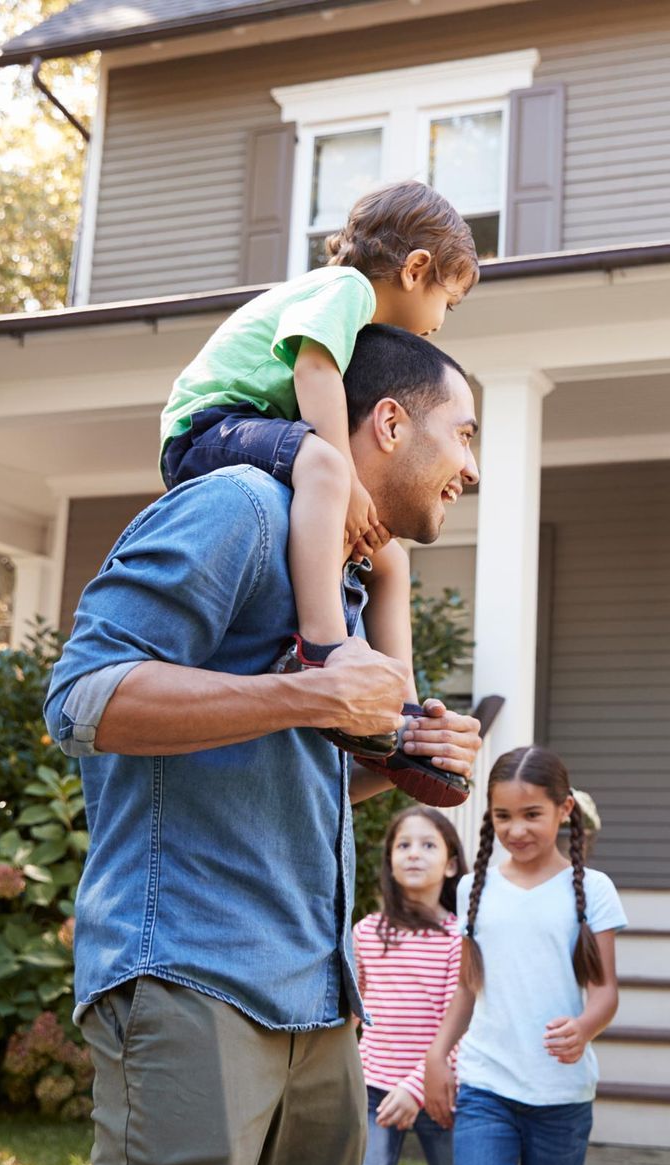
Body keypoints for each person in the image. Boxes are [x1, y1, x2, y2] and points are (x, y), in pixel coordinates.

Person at [44, 324, 483, 1165]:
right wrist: (311, 694)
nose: (472, 468)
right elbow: (81, 698)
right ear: (393, 422)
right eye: (465, 435)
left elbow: (297, 765)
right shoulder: (238, 507)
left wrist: (406, 758)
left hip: (322, 1005)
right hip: (194, 978)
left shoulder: (343, 575)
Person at [158, 178, 479, 804]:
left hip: (248, 428)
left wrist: (398, 735)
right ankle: (325, 648)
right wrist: (346, 475)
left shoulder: (350, 312)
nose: (441, 322)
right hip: (209, 423)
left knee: (390, 558)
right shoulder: (344, 289)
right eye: (450, 301)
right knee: (325, 467)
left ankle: (404, 715)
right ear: (416, 269)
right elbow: (313, 369)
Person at [423, 747, 626, 1165]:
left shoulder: (593, 890)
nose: (517, 829)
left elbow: (605, 994)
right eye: (503, 816)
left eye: (531, 814)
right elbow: (469, 989)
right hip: (487, 1089)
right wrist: (437, 1056)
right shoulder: (473, 888)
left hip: (560, 1099)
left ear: (564, 811)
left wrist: (583, 1028)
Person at [354, 806, 465, 1165]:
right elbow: (351, 1018)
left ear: (452, 863)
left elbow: (459, 1027)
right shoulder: (365, 933)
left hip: (441, 1094)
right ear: (390, 860)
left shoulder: (460, 938)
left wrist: (416, 1088)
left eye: (428, 845)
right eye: (403, 845)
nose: (414, 854)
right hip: (373, 1093)